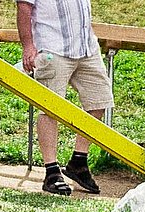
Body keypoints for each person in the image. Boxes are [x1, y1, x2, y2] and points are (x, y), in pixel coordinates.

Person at [16, 0, 113, 197]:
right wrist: (28, 46)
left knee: (100, 100)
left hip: (86, 49)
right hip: (53, 49)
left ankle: (78, 161)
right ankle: (51, 171)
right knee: (50, 109)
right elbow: (24, 7)